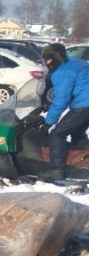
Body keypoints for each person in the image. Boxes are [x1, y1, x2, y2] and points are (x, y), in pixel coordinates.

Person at [41, 43, 89, 180]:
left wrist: (48, 123)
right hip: (85, 103)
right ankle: (80, 162)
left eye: (48, 59)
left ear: (55, 58)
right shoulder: (77, 62)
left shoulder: (62, 72)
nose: (47, 63)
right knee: (77, 131)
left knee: (57, 135)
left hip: (84, 105)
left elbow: (62, 99)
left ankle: (56, 169)